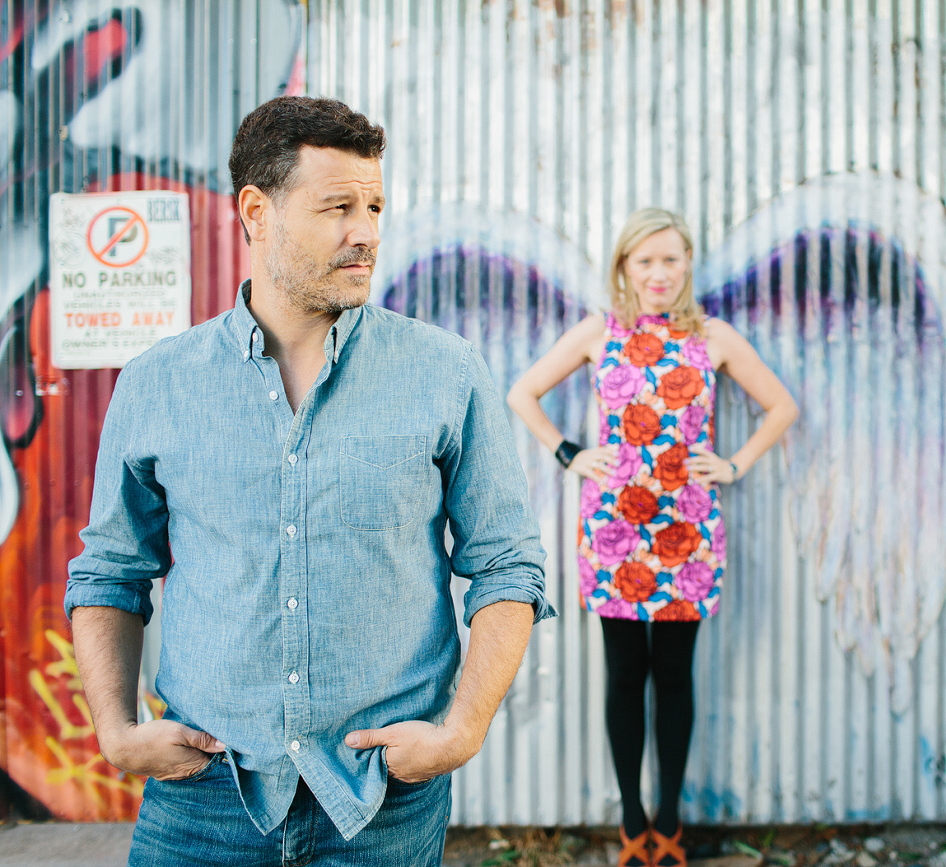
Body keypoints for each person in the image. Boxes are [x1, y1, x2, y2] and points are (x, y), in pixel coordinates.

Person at [65, 95, 554, 866]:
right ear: (256, 211)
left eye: (374, 205)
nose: (366, 231)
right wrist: (115, 728)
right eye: (337, 207)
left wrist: (462, 729)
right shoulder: (157, 383)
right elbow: (110, 570)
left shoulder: (444, 372)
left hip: (379, 799)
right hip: (203, 796)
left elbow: (507, 564)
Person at [507, 208, 798, 867]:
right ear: (623, 268)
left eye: (670, 259)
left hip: (687, 529)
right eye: (644, 261)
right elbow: (522, 392)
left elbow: (780, 406)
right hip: (614, 531)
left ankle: (669, 820)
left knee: (673, 675)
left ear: (687, 262)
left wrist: (733, 464)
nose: (659, 273)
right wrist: (568, 453)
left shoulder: (713, 336)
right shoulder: (596, 331)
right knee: (622, 675)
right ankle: (631, 822)